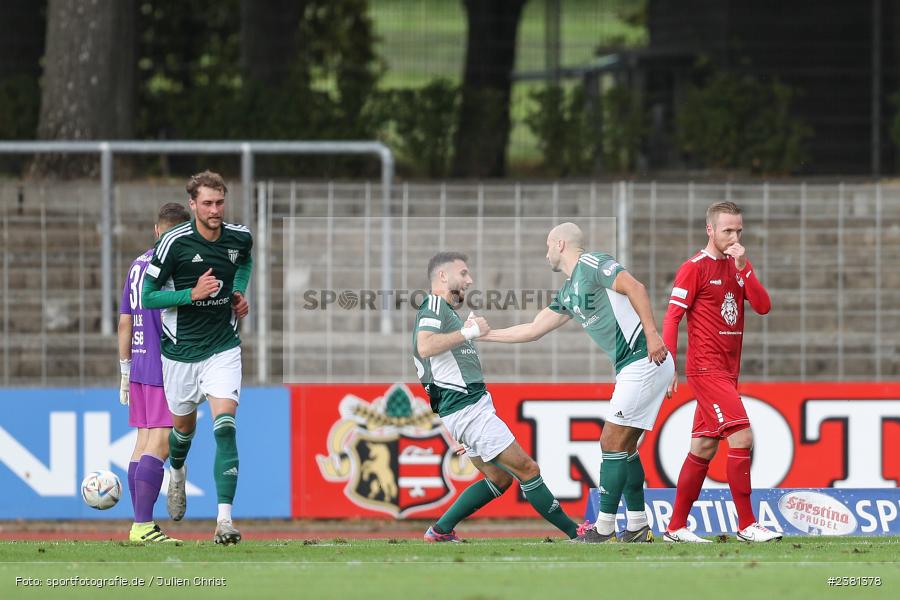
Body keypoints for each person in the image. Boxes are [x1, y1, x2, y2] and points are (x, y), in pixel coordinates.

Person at [481, 223, 673, 543]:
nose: (546, 253)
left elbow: (636, 287)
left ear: (560, 244)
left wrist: (653, 335)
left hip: (643, 358)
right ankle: (638, 525)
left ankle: (604, 528)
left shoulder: (592, 264)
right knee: (624, 448)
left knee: (610, 442)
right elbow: (533, 329)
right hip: (640, 364)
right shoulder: (569, 292)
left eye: (548, 246)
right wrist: (485, 336)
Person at [414, 252, 586, 543]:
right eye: (463, 273)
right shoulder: (434, 305)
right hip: (468, 409)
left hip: (465, 410)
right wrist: (468, 332)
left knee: (499, 478)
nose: (469, 280)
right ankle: (576, 533)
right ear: (442, 276)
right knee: (528, 469)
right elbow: (425, 347)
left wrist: (454, 419)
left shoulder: (447, 314)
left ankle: (441, 530)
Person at [141, 170, 253, 545]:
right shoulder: (173, 243)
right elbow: (149, 296)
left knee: (225, 426)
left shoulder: (239, 236)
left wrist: (238, 292)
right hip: (180, 353)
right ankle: (177, 471)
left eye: (219, 202)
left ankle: (224, 520)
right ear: (193, 205)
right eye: (207, 203)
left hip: (222, 347)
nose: (215, 210)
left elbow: (245, 262)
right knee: (183, 432)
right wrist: (192, 294)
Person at [661, 201, 781, 543]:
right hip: (705, 369)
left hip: (728, 371)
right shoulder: (694, 268)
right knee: (742, 437)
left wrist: (744, 269)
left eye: (739, 231)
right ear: (710, 230)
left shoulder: (738, 266)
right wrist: (669, 365)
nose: (734, 237)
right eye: (727, 230)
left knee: (702, 447)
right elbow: (672, 317)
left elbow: (763, 306)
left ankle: (675, 528)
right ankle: (747, 525)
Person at [118, 203, 190, 544]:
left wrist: (124, 370)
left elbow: (124, 322)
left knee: (143, 443)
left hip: (139, 365)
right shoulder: (175, 264)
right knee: (159, 444)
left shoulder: (137, 264)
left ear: (156, 230)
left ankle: (139, 524)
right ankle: (143, 525)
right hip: (164, 364)